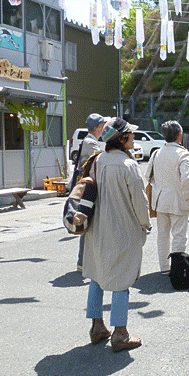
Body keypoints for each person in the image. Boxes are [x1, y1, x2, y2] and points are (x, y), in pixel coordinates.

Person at [82, 118, 151, 352]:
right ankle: (120, 333)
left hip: (97, 228)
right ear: (121, 139)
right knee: (122, 279)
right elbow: (140, 202)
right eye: (130, 135)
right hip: (122, 229)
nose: (133, 138)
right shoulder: (128, 165)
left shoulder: (97, 160)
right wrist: (146, 223)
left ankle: (97, 327)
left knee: (97, 275)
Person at [147, 121, 189, 274]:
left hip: (160, 200)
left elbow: (148, 176)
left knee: (163, 235)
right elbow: (186, 180)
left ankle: (164, 268)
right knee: (179, 235)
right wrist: (188, 198)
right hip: (178, 200)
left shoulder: (156, 153)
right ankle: (177, 267)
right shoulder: (183, 154)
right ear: (180, 136)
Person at [76, 113, 105, 272]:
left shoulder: (89, 141)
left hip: (87, 187)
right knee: (87, 223)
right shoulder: (90, 143)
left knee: (88, 223)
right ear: (99, 127)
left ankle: (85, 261)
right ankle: (83, 261)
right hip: (88, 189)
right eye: (103, 127)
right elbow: (98, 161)